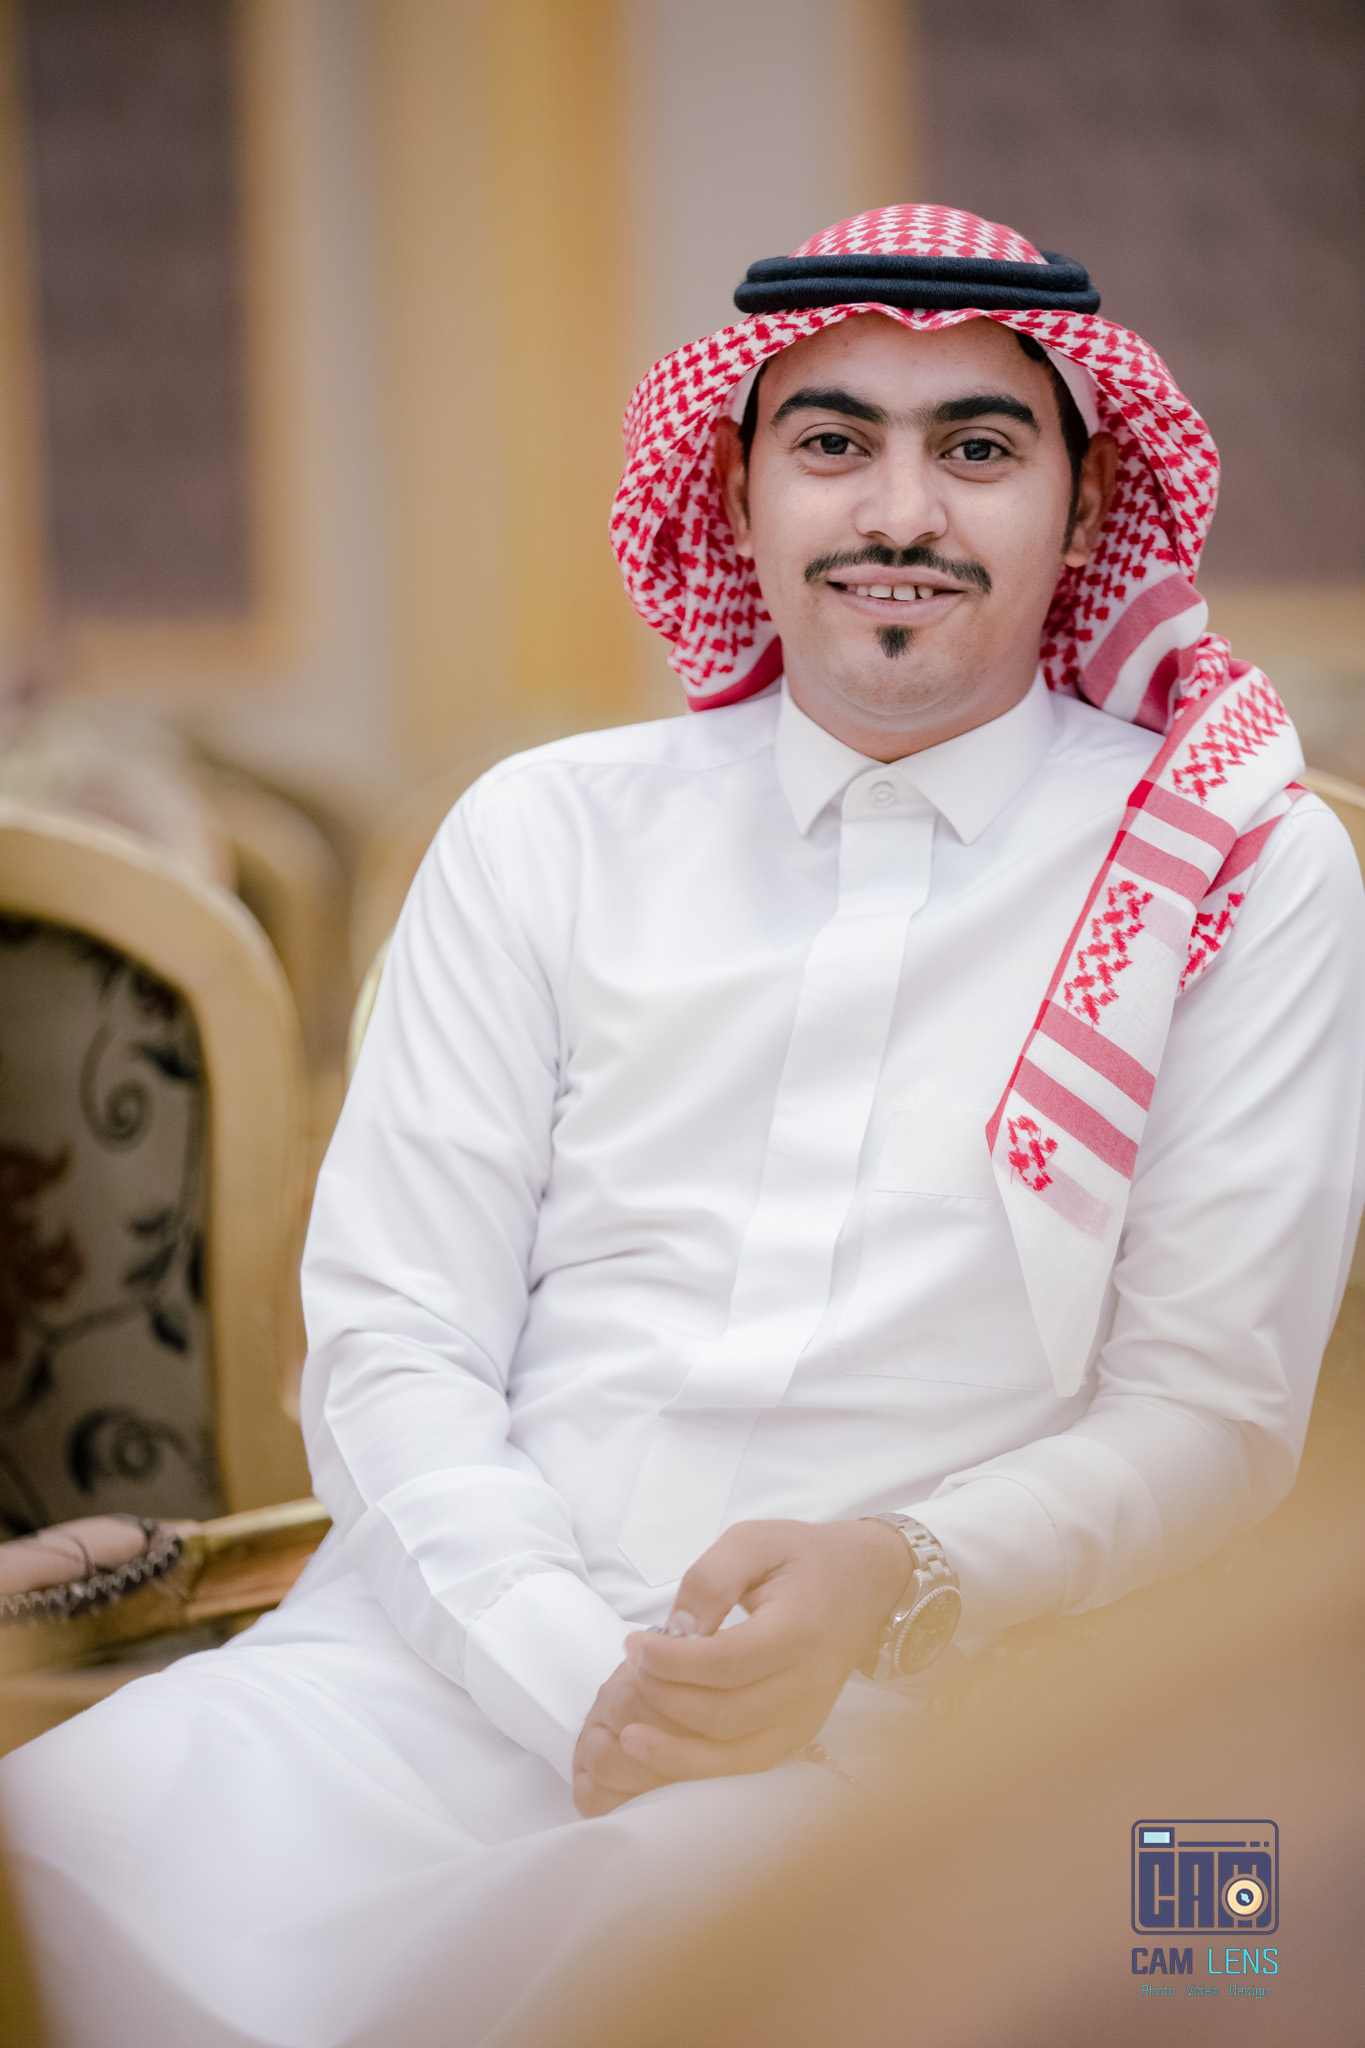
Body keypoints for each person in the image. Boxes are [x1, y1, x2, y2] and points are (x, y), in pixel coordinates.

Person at [2, 204, 1362, 2046]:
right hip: (425, 1677)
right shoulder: (543, 834)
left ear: (1084, 498)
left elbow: (1207, 1416)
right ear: (734, 494)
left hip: (949, 1725)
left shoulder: (1231, 866)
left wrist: (897, 1582)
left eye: (976, 448)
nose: (900, 511)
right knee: (59, 1857)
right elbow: (396, 1343)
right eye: (832, 443)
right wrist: (578, 1676)